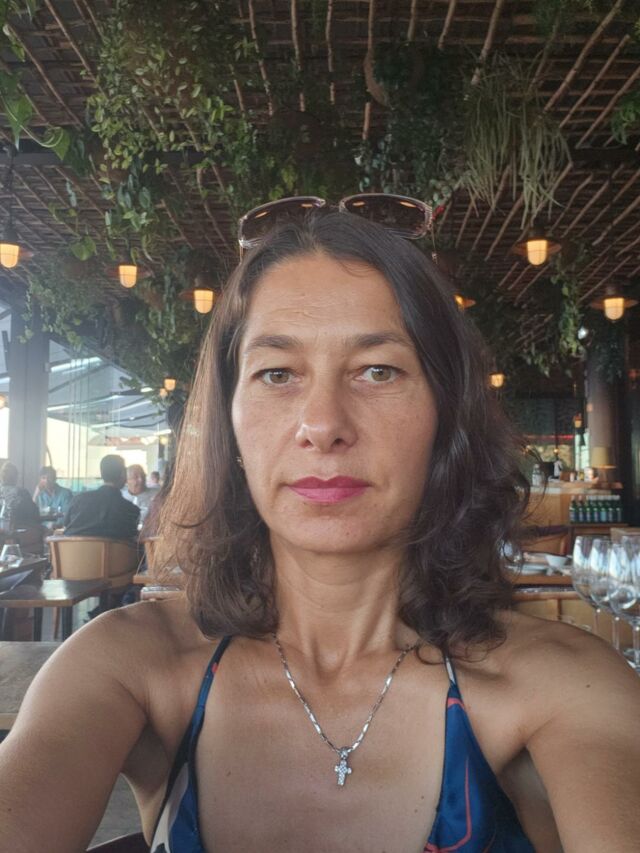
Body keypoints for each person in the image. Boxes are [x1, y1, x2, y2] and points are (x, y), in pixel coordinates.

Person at [0, 207, 638, 852]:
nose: (323, 424)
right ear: (231, 424)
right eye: (277, 374)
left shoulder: (567, 688)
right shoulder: (130, 666)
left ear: (446, 418)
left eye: (378, 370)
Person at [62, 454, 140, 542]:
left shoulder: (78, 500)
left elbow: (65, 524)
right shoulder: (131, 510)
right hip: (116, 551)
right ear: (123, 474)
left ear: (101, 473)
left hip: (74, 550)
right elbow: (132, 538)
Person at [0, 461, 41, 528]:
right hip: (20, 530)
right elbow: (35, 514)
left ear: (1, 477)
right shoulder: (22, 492)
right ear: (16, 477)